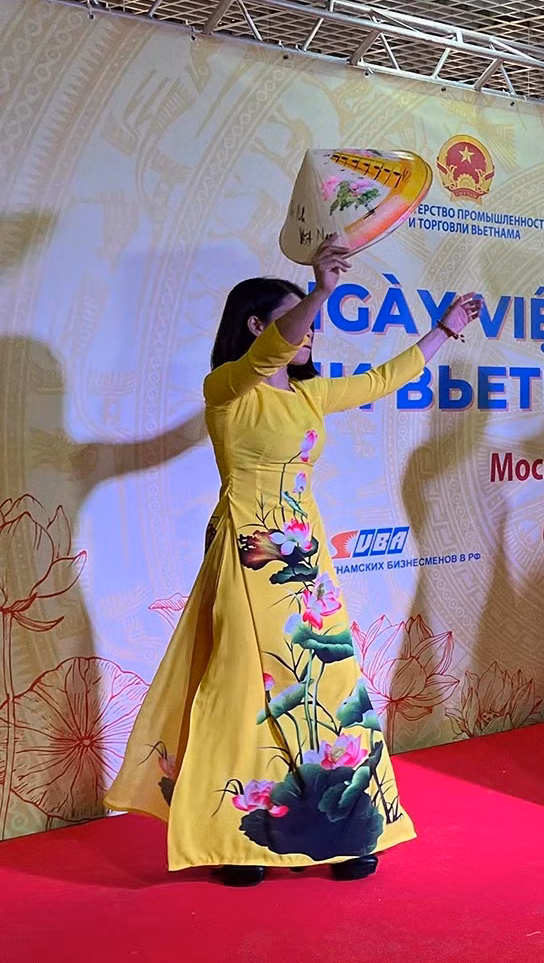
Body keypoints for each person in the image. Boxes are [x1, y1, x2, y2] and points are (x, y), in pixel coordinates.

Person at [107, 249, 481, 884]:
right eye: (300, 320)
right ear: (258, 326)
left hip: (305, 564)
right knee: (242, 690)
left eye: (312, 321)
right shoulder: (228, 388)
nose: (314, 331)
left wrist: (443, 330)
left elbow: (385, 378)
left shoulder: (308, 398)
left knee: (331, 684)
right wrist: (322, 288)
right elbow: (268, 355)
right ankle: (238, 840)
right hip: (247, 557)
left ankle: (350, 829)